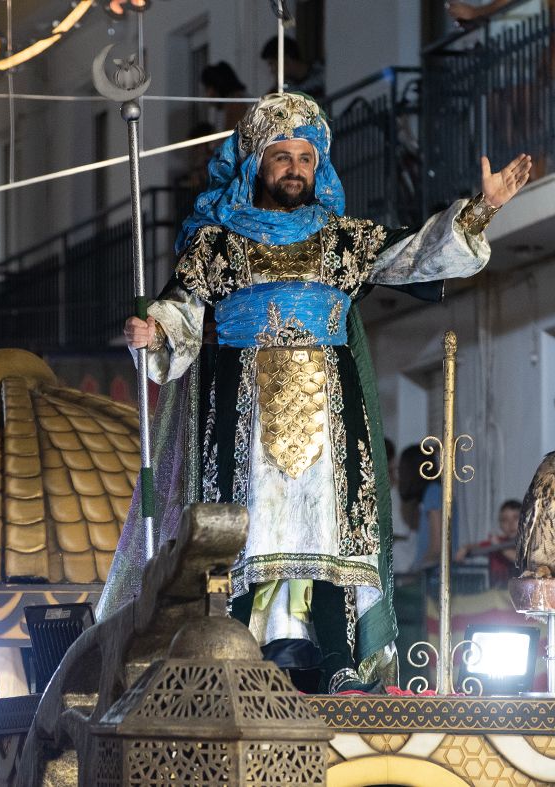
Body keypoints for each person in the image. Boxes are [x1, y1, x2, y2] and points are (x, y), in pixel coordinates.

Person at [102, 92, 531, 692]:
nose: (295, 168)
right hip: (240, 425)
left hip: (331, 421)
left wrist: (480, 210)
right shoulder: (216, 246)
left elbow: (414, 255)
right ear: (256, 165)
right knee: (247, 535)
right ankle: (236, 658)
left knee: (328, 534)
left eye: (306, 156)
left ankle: (339, 662)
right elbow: (181, 312)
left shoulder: (342, 241)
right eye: (283, 156)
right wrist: (153, 331)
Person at [455, 499, 520, 588]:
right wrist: (465, 548)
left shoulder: (530, 544)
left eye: (516, 518)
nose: (510, 523)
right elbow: (477, 546)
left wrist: (498, 547)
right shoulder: (498, 541)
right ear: (500, 524)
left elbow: (519, 560)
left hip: (521, 596)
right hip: (497, 596)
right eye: (504, 520)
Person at [259, 37, 325, 99]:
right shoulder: (285, 86)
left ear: (286, 60)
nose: (272, 70)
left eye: (272, 64)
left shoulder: (322, 73)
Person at [200, 61, 249, 131]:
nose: (206, 95)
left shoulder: (236, 103)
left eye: (207, 89)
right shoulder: (221, 108)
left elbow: (229, 136)